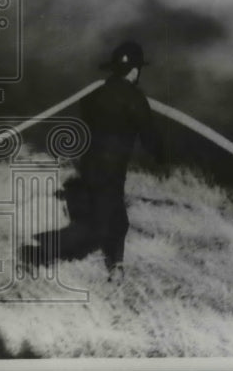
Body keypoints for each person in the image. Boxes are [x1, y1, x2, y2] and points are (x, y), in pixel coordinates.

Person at [26, 41, 163, 281]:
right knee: (98, 227)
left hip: (90, 164)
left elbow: (91, 113)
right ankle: (40, 253)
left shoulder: (95, 94)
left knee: (115, 219)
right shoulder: (135, 98)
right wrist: (161, 154)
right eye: (138, 68)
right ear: (134, 70)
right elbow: (149, 137)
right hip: (112, 170)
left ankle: (117, 269)